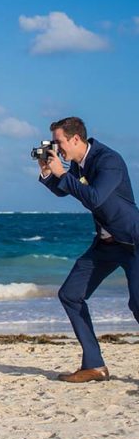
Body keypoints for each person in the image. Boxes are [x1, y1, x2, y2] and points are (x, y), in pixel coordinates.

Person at [39, 116, 139, 383]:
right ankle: (94, 365)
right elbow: (64, 190)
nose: (57, 148)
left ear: (75, 139)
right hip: (105, 244)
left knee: (138, 304)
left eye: (59, 142)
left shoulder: (109, 160)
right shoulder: (77, 164)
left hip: (133, 242)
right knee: (70, 295)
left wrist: (61, 173)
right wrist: (49, 172)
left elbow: (94, 197)